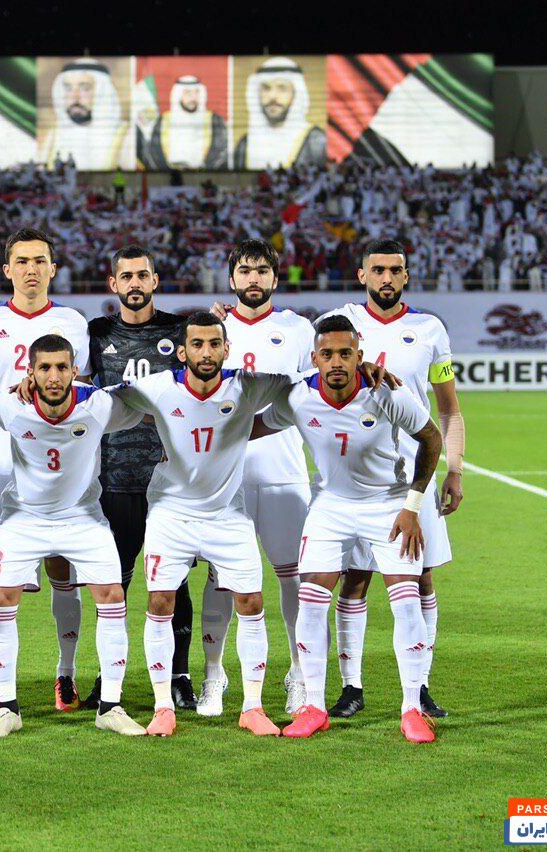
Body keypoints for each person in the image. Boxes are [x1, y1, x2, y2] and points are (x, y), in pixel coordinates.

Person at [109, 311, 301, 738]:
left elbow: (304, 382)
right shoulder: (158, 387)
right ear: (182, 352)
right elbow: (104, 398)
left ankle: (252, 706)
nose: (206, 352)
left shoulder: (248, 385)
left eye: (214, 344)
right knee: (160, 602)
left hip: (227, 515)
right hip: (171, 514)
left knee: (251, 602)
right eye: (197, 344)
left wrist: (360, 370)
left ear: (227, 349)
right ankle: (163, 706)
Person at [257, 314, 442, 744]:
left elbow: (431, 438)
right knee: (310, 599)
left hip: (388, 504)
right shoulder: (299, 397)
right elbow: (250, 427)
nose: (336, 362)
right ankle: (314, 707)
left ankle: (412, 709)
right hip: (331, 506)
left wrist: (412, 506)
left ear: (360, 355)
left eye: (345, 353)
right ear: (314, 358)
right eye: (328, 354)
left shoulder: (385, 392)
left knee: (406, 601)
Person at [0, 335, 147, 738]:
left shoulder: (98, 404)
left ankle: (110, 706)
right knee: (1, 598)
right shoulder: (11, 406)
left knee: (112, 595)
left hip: (82, 517)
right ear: (30, 372)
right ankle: (7, 708)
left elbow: (142, 405)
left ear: (75, 370)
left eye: (62, 367)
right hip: (24, 517)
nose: (54, 377)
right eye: (45, 368)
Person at [322, 238, 465, 720]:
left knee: (421, 578)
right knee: (355, 579)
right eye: (378, 269)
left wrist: (455, 468)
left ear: (406, 276)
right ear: (362, 275)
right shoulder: (342, 322)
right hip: (359, 476)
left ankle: (419, 686)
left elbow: (449, 410)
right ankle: (351, 686)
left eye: (395, 270)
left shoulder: (429, 329)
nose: (386, 278)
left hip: (416, 476)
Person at [0, 228, 90, 713]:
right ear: (7, 269)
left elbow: (86, 387)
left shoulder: (72, 323)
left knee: (61, 567)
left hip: (56, 471)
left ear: (53, 269)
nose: (31, 269)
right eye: (22, 261)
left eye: (40, 261)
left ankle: (66, 673)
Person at [201, 239, 316, 717]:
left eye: (262, 270)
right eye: (245, 270)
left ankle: (298, 675)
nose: (253, 278)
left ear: (275, 277)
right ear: (231, 279)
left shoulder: (298, 330)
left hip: (284, 472)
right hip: (225, 477)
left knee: (294, 578)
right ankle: (214, 676)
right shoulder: (212, 330)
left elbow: (314, 395)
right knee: (220, 578)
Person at [86, 245, 195, 710]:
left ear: (155, 281)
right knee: (114, 584)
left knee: (174, 583)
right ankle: (106, 678)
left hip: (170, 483)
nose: (134, 283)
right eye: (126, 276)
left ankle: (180, 676)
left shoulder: (179, 331)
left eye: (142, 275)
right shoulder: (97, 333)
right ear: (114, 284)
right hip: (115, 479)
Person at [233, 58, 326, 169]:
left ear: (296, 94)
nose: (272, 96)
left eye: (282, 88)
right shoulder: (244, 145)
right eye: (266, 88)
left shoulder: (316, 141)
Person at [40, 59, 131, 170]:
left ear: (102, 93)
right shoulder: (53, 136)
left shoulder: (126, 137)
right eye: (68, 88)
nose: (74, 97)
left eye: (84, 89)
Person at [149, 75, 229, 170]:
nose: (193, 98)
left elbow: (220, 151)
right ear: (178, 95)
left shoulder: (214, 120)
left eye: (196, 92)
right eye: (187, 93)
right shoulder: (163, 120)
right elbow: (155, 152)